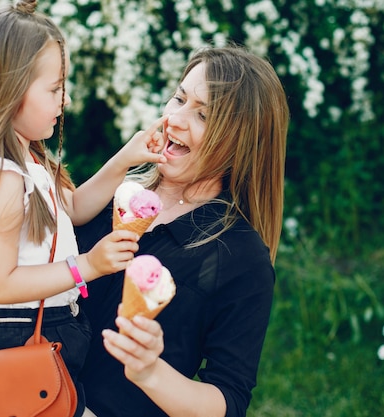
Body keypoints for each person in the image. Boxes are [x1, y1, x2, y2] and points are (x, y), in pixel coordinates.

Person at [0, 1, 165, 416]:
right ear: (7, 90)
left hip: (52, 325)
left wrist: (124, 160)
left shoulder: (29, 160)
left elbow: (75, 207)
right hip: (19, 333)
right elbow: (1, 284)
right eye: (55, 88)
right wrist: (87, 266)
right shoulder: (4, 179)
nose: (66, 98)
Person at [76, 45, 289, 417]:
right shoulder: (111, 192)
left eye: (203, 115)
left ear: (239, 143)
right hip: (28, 395)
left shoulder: (240, 255)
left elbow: (229, 399)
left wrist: (150, 372)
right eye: (179, 98)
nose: (175, 118)